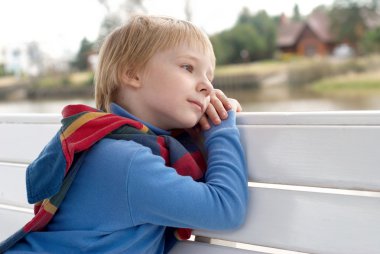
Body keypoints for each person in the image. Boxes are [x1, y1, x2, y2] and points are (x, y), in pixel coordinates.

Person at [3, 15, 247, 253]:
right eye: (188, 67)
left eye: (209, 76)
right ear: (132, 74)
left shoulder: (114, 144)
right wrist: (221, 126)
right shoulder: (126, 161)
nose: (208, 86)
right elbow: (226, 209)